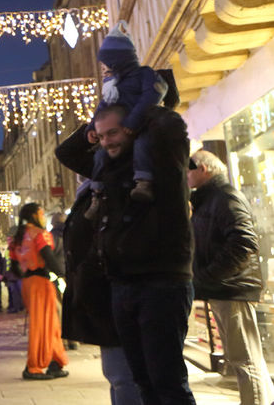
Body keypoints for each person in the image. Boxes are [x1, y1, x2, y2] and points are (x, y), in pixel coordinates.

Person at [55, 102, 195, 404]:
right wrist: (90, 132)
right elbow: (67, 153)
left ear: (131, 128)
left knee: (167, 382)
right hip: (122, 285)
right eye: (102, 136)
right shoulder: (109, 168)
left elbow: (173, 129)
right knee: (142, 381)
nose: (107, 141)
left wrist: (139, 101)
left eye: (114, 132)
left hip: (161, 282)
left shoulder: (160, 165)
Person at [189, 150, 272, 405]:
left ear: (204, 169)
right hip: (223, 287)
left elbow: (244, 242)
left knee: (244, 359)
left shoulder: (224, 196)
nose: (186, 175)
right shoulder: (210, 198)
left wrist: (210, 276)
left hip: (231, 288)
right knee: (245, 357)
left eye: (189, 169)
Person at [58, 166, 141, 405]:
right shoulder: (91, 195)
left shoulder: (110, 193)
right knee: (117, 375)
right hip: (102, 296)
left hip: (115, 294)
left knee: (124, 376)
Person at [85, 24, 166, 206]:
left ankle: (144, 182)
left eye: (108, 61)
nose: (105, 66)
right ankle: (96, 193)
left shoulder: (144, 74)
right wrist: (92, 127)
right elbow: (103, 107)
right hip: (119, 129)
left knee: (142, 144)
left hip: (142, 125)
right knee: (99, 156)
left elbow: (152, 95)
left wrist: (133, 120)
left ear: (119, 59)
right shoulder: (114, 84)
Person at [8, 203, 68, 381]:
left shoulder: (18, 237)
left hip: (28, 282)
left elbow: (14, 267)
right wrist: (62, 276)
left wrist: (27, 274)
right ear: (34, 215)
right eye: (41, 213)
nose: (43, 216)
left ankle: (54, 362)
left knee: (47, 323)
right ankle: (33, 367)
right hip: (41, 283)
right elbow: (49, 257)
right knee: (44, 324)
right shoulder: (40, 234)